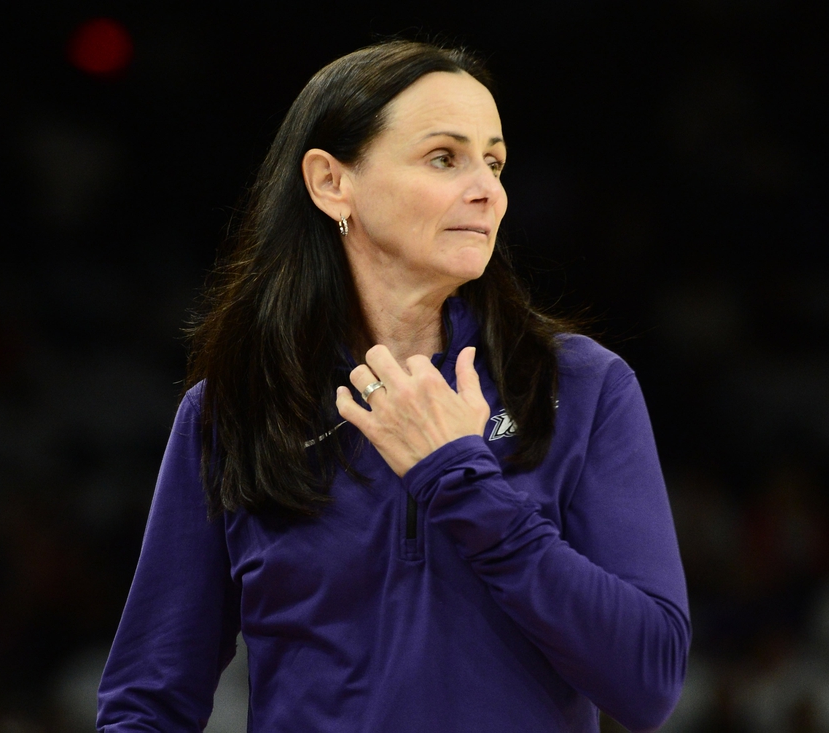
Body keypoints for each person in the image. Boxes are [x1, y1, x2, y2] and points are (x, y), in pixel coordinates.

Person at [96, 40, 690, 733]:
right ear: (330, 182)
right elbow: (146, 704)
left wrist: (462, 479)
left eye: (494, 162)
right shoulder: (237, 409)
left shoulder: (579, 386)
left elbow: (648, 683)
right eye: (444, 157)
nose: (488, 190)